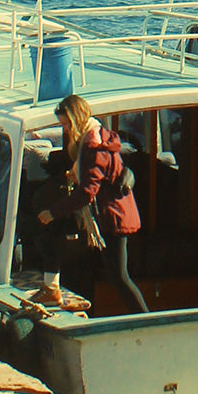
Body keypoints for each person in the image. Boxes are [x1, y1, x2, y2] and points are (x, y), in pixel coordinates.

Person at [35, 94, 149, 313]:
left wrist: (53, 212)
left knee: (119, 276)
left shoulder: (92, 145)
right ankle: (52, 290)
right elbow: (95, 177)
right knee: (52, 228)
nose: (65, 130)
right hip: (104, 214)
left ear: (76, 119)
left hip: (111, 217)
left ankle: (145, 320)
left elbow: (87, 193)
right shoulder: (95, 136)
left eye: (66, 124)